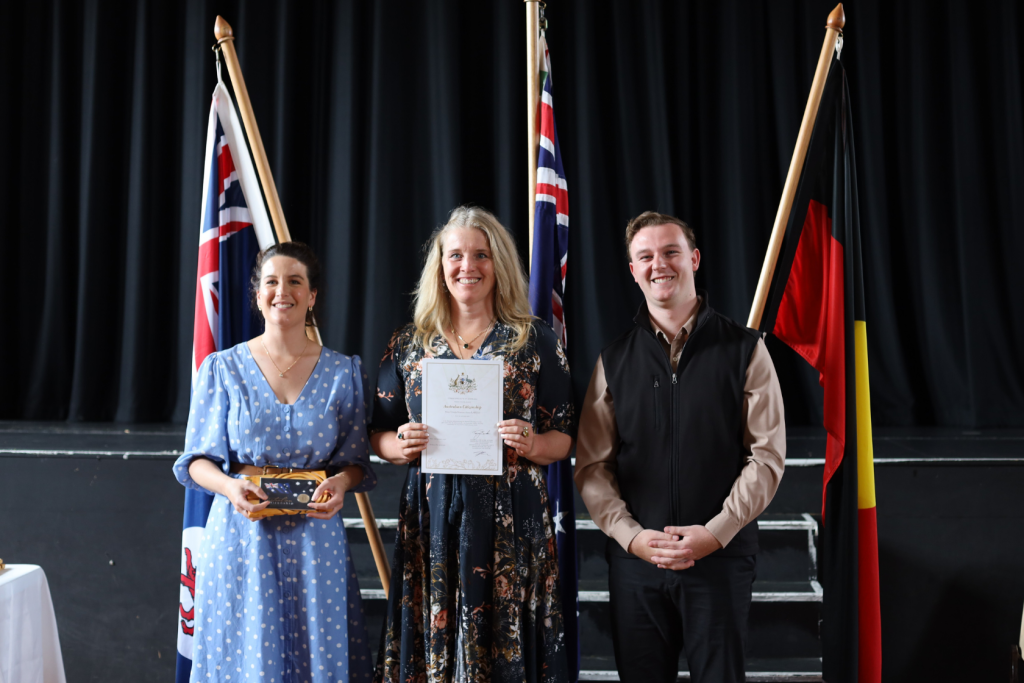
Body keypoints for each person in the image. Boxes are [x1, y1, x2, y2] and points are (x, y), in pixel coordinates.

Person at [574, 211, 786, 683]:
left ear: (694, 258)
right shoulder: (613, 360)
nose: (659, 264)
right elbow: (592, 466)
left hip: (720, 559)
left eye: (671, 252)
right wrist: (632, 537)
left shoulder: (746, 349)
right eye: (645, 256)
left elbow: (766, 457)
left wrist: (716, 532)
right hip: (637, 564)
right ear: (633, 270)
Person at [371, 206, 576, 682]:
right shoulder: (409, 343)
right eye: (456, 255)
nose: (469, 266)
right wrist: (399, 444)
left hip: (512, 517)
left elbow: (565, 438)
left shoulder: (535, 340)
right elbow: (377, 434)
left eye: (481, 255)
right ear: (440, 265)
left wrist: (532, 442)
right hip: (432, 518)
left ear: (498, 263)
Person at [172, 241, 377, 682]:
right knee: (243, 660)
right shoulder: (222, 368)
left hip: (316, 540)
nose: (282, 291)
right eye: (271, 282)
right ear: (257, 293)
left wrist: (342, 484)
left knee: (318, 658)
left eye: (295, 281)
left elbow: (356, 462)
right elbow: (195, 461)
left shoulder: (343, 372)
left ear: (312, 295)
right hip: (242, 534)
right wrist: (229, 487)